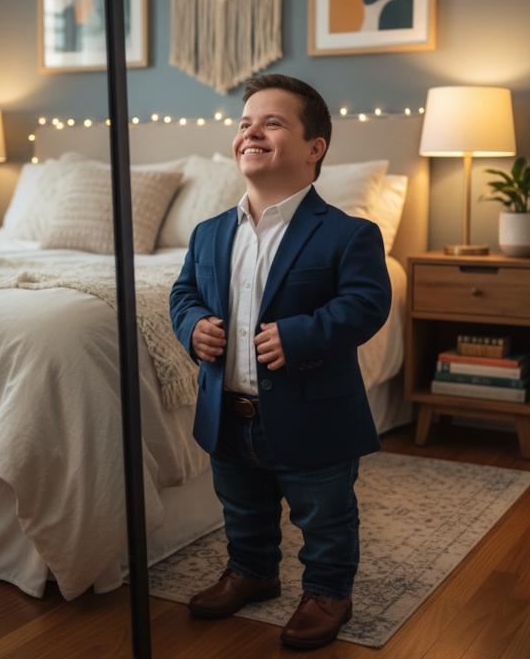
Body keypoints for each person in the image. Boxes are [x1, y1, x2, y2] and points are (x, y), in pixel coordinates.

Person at [169, 74, 391, 650]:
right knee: (240, 504)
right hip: (229, 406)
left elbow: (366, 303)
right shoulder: (209, 232)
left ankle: (326, 592)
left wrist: (301, 334)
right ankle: (251, 569)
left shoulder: (349, 233)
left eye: (271, 122)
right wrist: (193, 325)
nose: (251, 132)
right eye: (244, 123)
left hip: (313, 410)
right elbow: (183, 294)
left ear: (315, 148)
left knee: (324, 515)